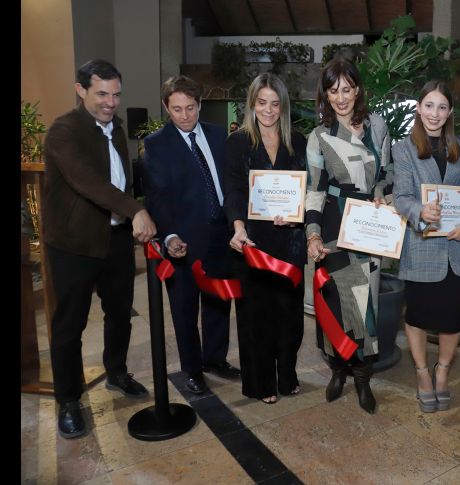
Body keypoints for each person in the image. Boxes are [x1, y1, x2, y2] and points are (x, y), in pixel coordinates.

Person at [43, 59, 156, 438]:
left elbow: (120, 178)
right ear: (81, 90)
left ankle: (118, 371)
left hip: (115, 240)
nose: (111, 102)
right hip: (74, 245)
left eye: (116, 94)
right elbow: (87, 181)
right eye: (102, 93)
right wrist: (135, 210)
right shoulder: (63, 131)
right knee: (69, 325)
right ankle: (69, 400)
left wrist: (133, 212)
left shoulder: (117, 128)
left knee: (120, 313)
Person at [305, 57, 392, 414]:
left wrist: (382, 194)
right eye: (333, 90)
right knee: (335, 306)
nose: (341, 97)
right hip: (333, 230)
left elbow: (387, 174)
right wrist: (312, 234)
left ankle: (362, 378)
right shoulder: (319, 136)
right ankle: (337, 371)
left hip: (368, 228)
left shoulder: (378, 127)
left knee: (365, 307)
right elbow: (315, 189)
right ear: (325, 94)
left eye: (347, 89)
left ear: (357, 89)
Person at [143, 75, 240, 396]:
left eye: (190, 108)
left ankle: (215, 359)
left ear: (199, 104)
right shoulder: (157, 145)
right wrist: (169, 236)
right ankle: (193, 369)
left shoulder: (216, 135)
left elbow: (228, 181)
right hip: (182, 240)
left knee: (218, 302)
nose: (185, 116)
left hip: (220, 233)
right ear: (165, 108)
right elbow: (157, 197)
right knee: (185, 308)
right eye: (177, 109)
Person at [392, 80, 460, 412]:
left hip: (457, 249)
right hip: (421, 248)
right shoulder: (404, 149)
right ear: (419, 108)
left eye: (442, 107)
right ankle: (421, 373)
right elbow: (401, 197)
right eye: (429, 105)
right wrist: (420, 211)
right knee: (416, 315)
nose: (435, 113)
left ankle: (442, 371)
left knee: (452, 318)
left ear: (450, 112)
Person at [224, 73, 307, 404]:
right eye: (262, 103)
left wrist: (296, 214)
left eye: (275, 103)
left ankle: (286, 375)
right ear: (251, 104)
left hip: (290, 243)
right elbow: (231, 188)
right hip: (253, 242)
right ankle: (261, 383)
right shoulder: (238, 142)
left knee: (290, 317)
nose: (268, 110)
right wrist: (237, 226)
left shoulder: (298, 141)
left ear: (283, 106)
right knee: (256, 317)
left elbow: (308, 190)